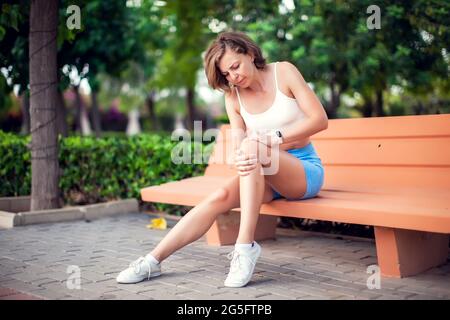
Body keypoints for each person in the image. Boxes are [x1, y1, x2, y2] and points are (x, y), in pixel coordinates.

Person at [116, 31, 328, 288]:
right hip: (263, 170)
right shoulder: (233, 97)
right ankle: (152, 261)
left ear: (249, 53)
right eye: (227, 74)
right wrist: (241, 157)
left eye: (235, 67)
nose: (233, 77)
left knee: (254, 147)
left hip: (304, 170)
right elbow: (240, 144)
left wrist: (272, 139)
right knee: (218, 197)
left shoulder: (283, 72)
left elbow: (319, 120)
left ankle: (245, 247)